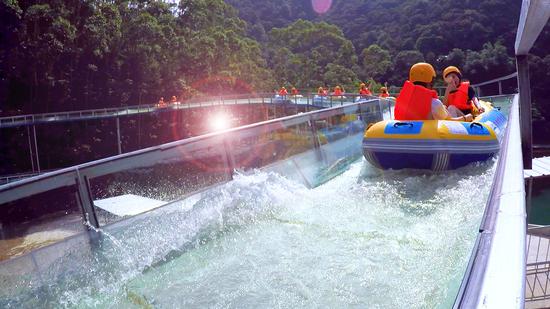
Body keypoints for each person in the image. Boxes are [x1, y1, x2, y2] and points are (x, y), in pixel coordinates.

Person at [394, 62, 473, 122]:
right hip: (427, 138)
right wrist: (466, 118)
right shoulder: (434, 103)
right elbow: (449, 122)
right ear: (429, 81)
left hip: (404, 137)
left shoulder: (401, 100)